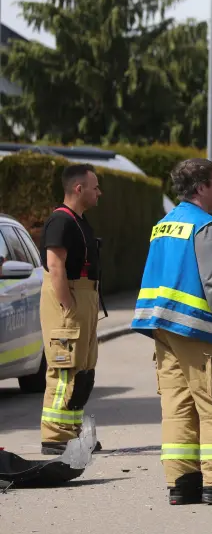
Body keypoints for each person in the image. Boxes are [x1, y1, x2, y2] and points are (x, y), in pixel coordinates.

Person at [131, 158, 212, 505]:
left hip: (163, 327)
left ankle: (183, 483)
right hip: (199, 328)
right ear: (201, 187)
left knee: (177, 406)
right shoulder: (206, 226)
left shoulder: (163, 225)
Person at [37, 163, 103, 455]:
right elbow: (55, 266)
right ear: (79, 189)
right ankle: (54, 436)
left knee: (83, 370)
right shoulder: (60, 222)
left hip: (84, 297)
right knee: (65, 368)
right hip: (70, 299)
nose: (99, 192)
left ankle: (71, 431)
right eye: (95, 187)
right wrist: (67, 305)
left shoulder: (79, 221)